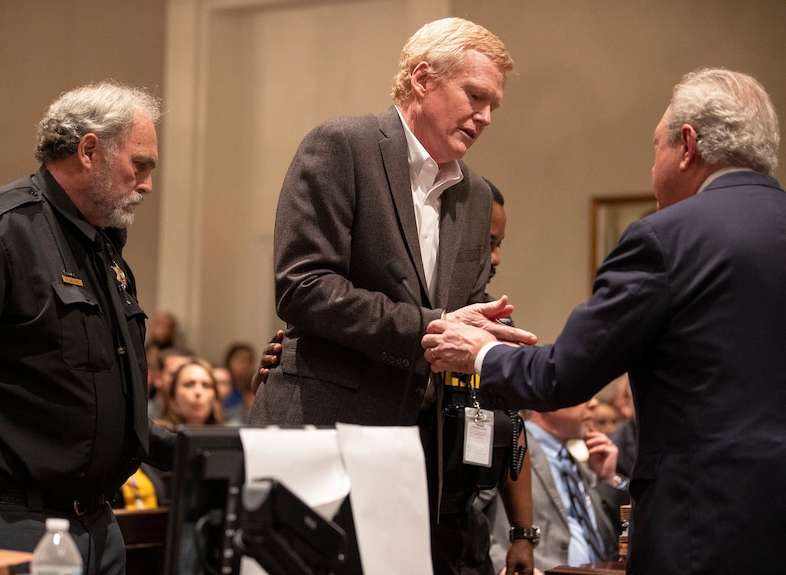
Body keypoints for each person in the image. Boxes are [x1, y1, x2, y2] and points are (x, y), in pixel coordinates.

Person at [422, 68, 786, 574]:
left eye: (654, 147)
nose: (652, 168)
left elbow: (563, 376)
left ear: (687, 145)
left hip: (704, 525)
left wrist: (477, 351)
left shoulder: (666, 239)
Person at [249, 17, 538, 575]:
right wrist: (433, 327)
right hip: (319, 436)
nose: (484, 116)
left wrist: (486, 333)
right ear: (423, 77)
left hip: (415, 454)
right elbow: (303, 286)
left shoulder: (475, 195)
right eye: (474, 96)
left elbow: (464, 304)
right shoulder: (343, 145)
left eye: (493, 105)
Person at [0, 81, 175, 575]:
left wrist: (201, 449)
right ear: (89, 150)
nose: (146, 185)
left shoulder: (104, 249)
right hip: (9, 523)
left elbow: (98, 401)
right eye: (139, 165)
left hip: (101, 528)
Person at [477, 400, 625, 573]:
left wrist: (607, 479)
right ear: (545, 401)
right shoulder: (509, 446)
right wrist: (502, 566)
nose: (593, 403)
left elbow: (610, 539)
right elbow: (468, 516)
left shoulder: (579, 463)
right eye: (581, 393)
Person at [155, 358, 224, 429]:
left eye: (206, 385)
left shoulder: (228, 437)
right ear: (173, 395)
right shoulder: (155, 436)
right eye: (189, 384)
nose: (198, 392)